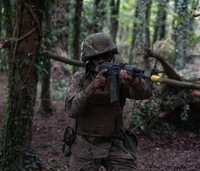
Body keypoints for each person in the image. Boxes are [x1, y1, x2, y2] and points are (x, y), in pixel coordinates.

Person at [64, 32, 152, 171]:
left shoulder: (119, 78)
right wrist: (92, 87)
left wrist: (134, 82)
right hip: (84, 144)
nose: (102, 60)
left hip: (115, 143)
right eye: (97, 58)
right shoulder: (80, 78)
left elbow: (144, 94)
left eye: (107, 56)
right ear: (89, 59)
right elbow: (72, 110)